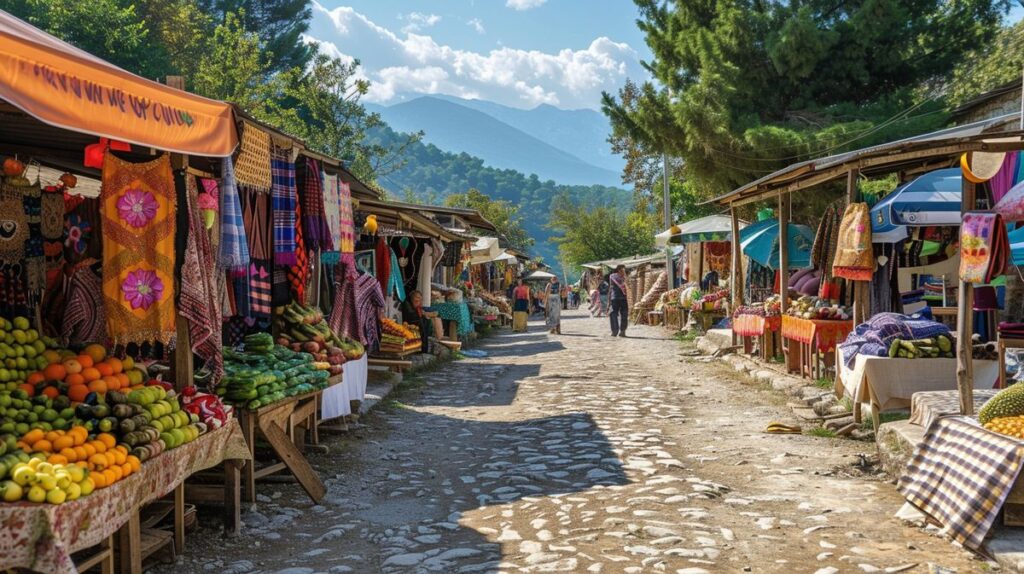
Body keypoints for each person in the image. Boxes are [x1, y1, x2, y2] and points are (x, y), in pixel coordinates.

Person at [609, 264, 628, 337]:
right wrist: (609, 300)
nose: (623, 271)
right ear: (619, 269)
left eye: (624, 270)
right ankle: (615, 331)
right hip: (615, 298)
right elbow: (611, 287)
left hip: (624, 298)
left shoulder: (626, 277)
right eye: (622, 269)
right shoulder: (613, 276)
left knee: (624, 315)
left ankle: (622, 331)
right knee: (613, 314)